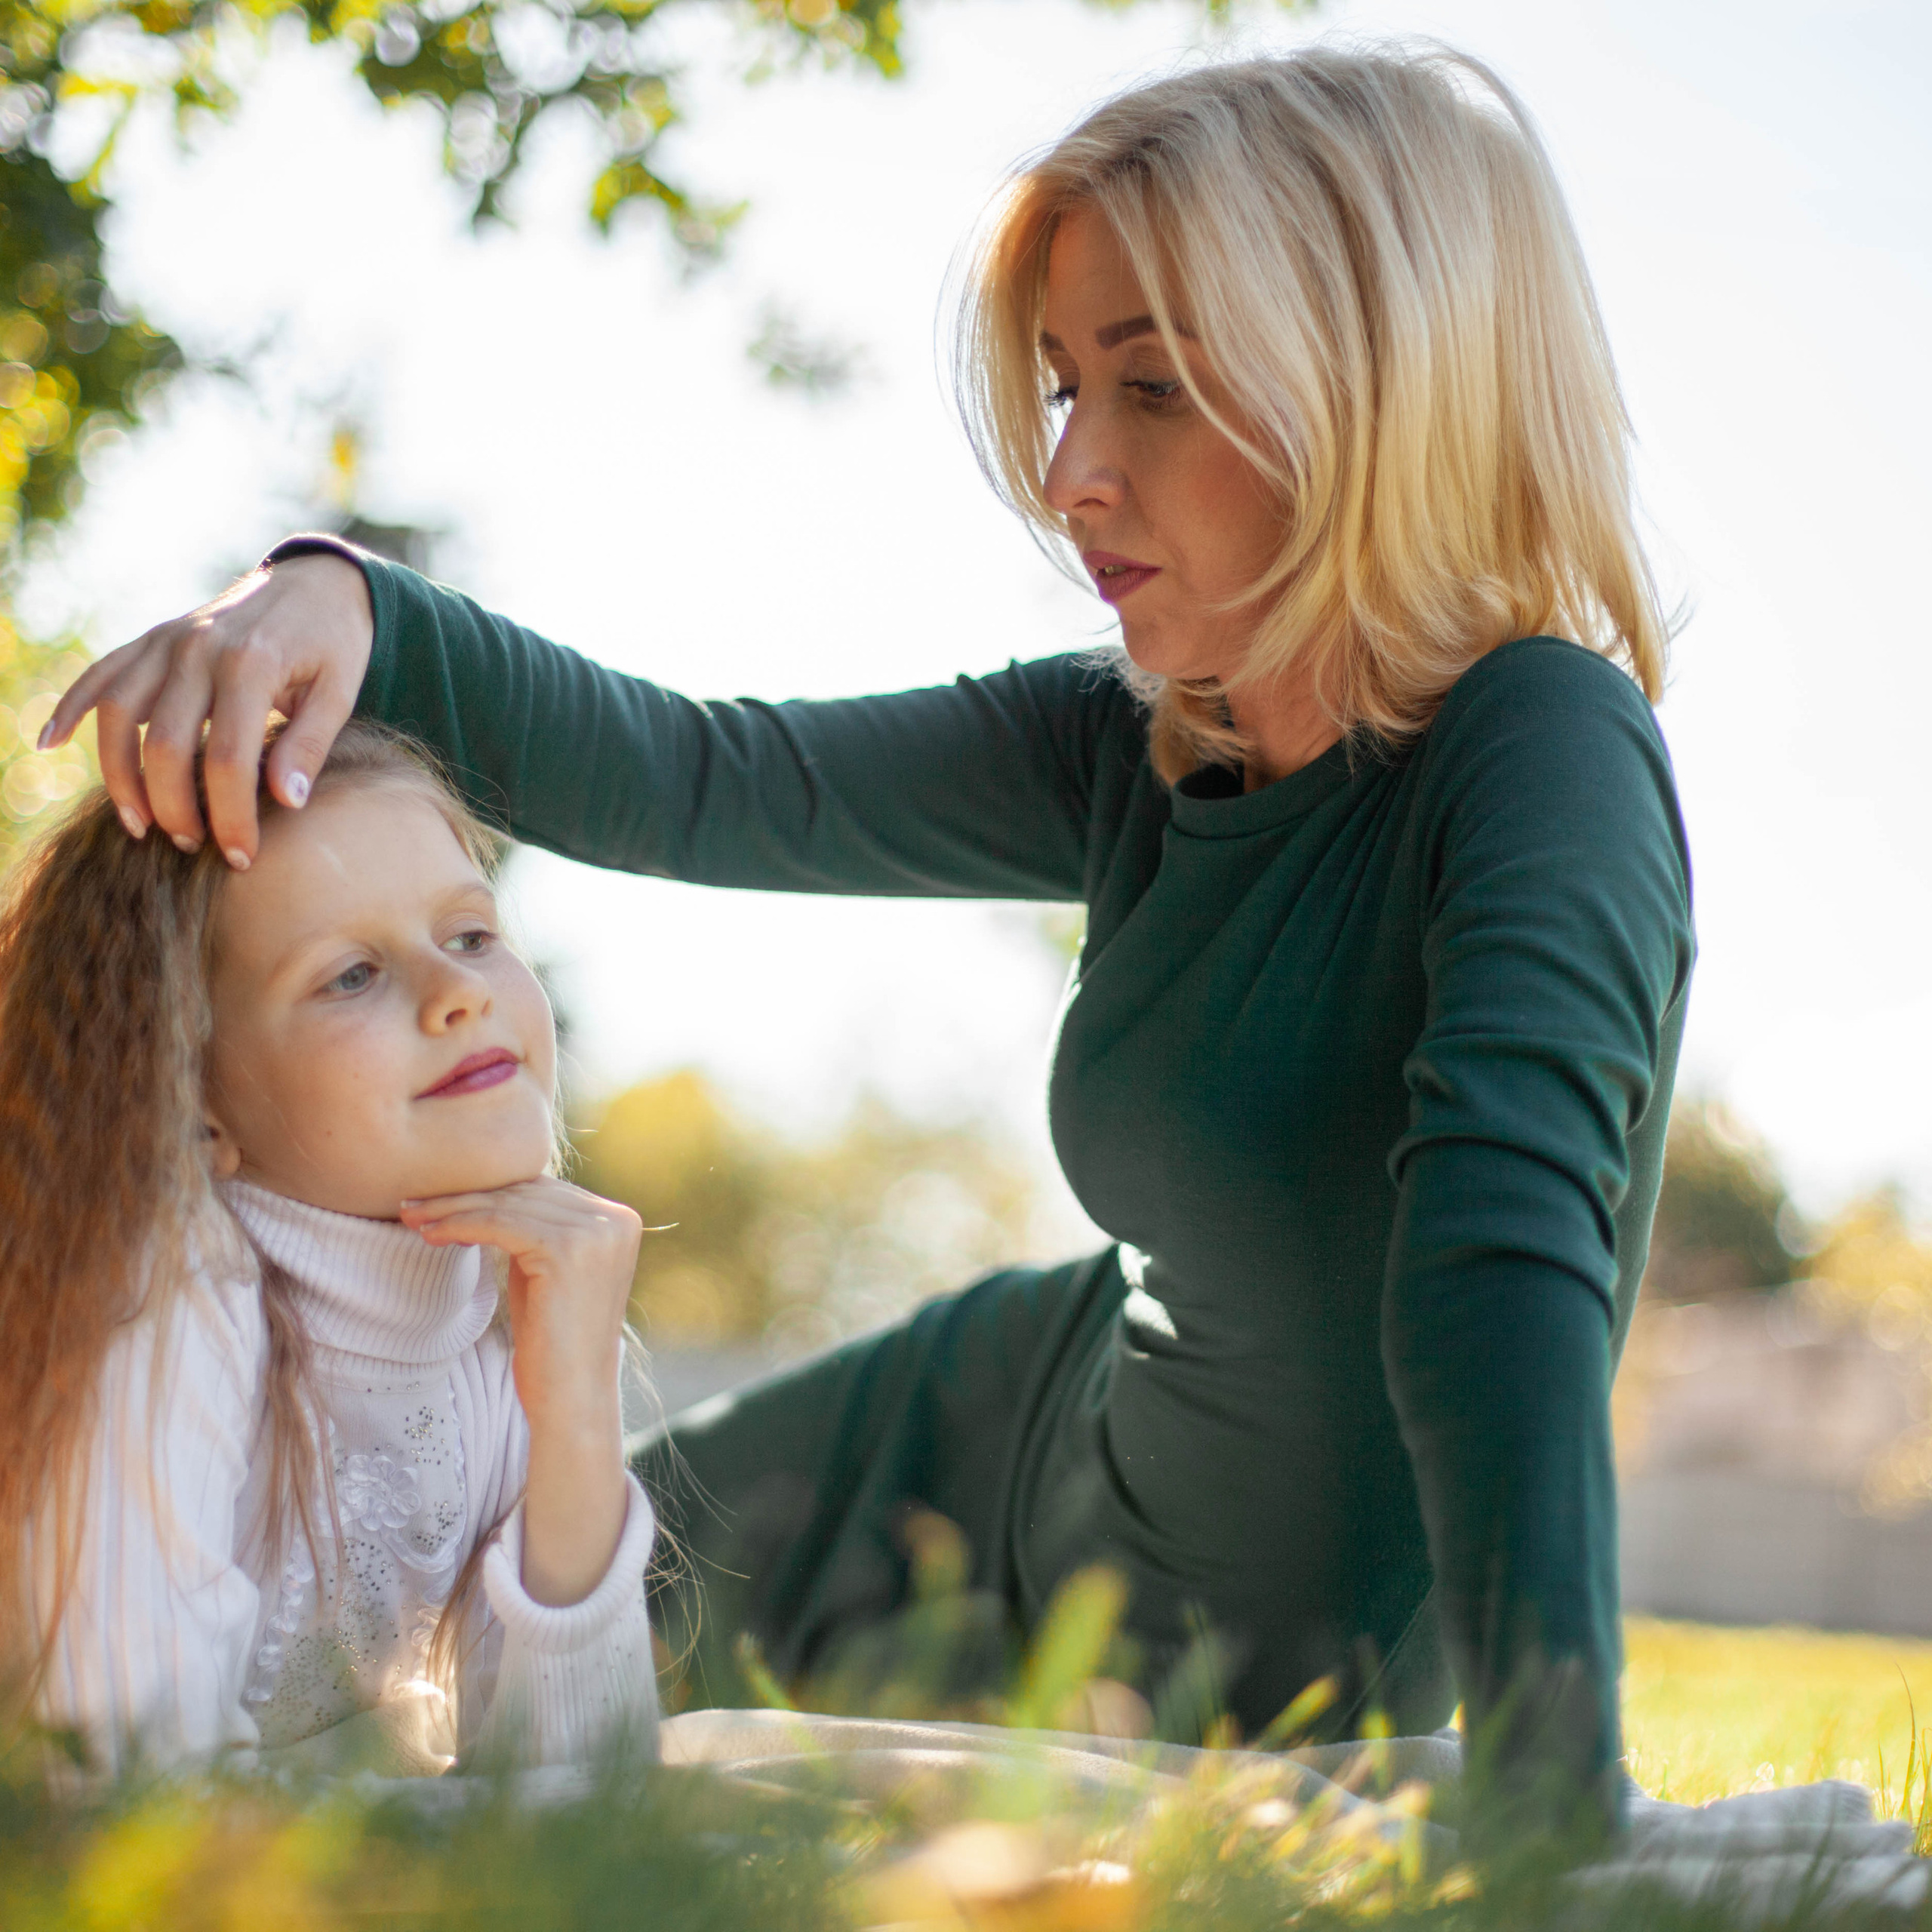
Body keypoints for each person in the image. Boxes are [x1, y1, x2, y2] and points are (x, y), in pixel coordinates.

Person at [45, 42, 1694, 1829]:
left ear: (1379, 387)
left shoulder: (1541, 739)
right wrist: (334, 596)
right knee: (507, 1649)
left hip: (1250, 1652)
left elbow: (1507, 1253)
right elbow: (693, 776)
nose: (1069, 471)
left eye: (1148, 388)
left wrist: (1551, 1788)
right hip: (985, 1423)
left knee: (555, 1730)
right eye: (1062, 388)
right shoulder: (1130, 739)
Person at [0, 723, 660, 1774]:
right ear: (198, 1103)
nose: (461, 991)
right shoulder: (168, 1298)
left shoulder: (505, 1319)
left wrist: (576, 1409)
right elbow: (121, 1794)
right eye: (351, 975)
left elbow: (584, 1808)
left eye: (473, 935)